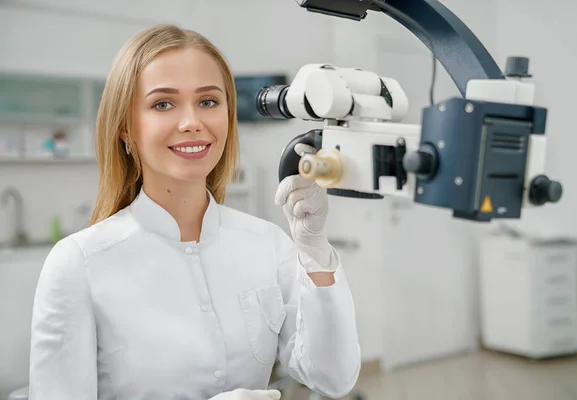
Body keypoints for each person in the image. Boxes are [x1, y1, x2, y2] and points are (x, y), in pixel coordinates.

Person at [28, 24, 361, 400]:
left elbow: (334, 377)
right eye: (163, 104)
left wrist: (315, 251)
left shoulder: (267, 244)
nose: (192, 122)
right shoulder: (79, 264)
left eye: (208, 102)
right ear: (125, 129)